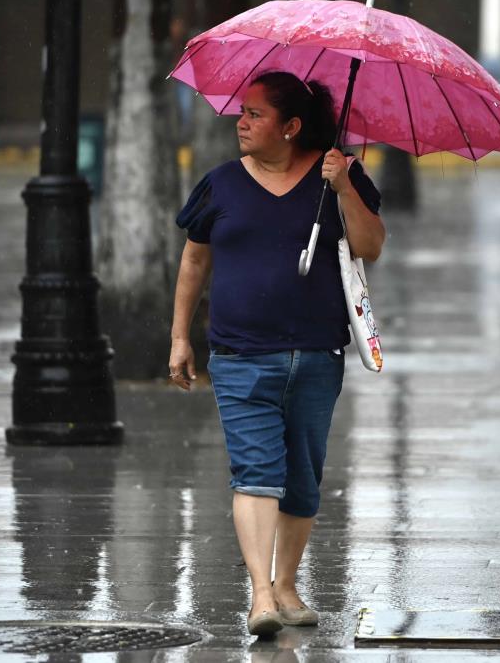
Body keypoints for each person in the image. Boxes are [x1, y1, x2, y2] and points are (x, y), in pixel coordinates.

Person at [167, 71, 385, 637]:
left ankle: (286, 584)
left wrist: (343, 190)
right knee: (256, 474)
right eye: (242, 111)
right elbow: (194, 262)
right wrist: (180, 336)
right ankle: (261, 596)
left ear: (291, 127)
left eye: (256, 114)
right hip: (240, 357)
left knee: (303, 479)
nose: (242, 121)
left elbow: (370, 247)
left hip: (317, 356)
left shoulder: (339, 173)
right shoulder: (220, 185)